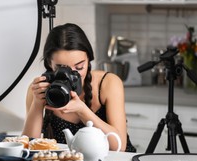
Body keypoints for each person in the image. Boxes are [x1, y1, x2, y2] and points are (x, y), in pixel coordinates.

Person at [22, 23, 136, 152]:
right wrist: (37, 103)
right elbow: (28, 147)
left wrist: (82, 110)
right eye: (61, 68)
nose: (70, 75)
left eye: (79, 67)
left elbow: (119, 147)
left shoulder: (108, 83)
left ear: (89, 59)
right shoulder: (39, 89)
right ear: (49, 63)